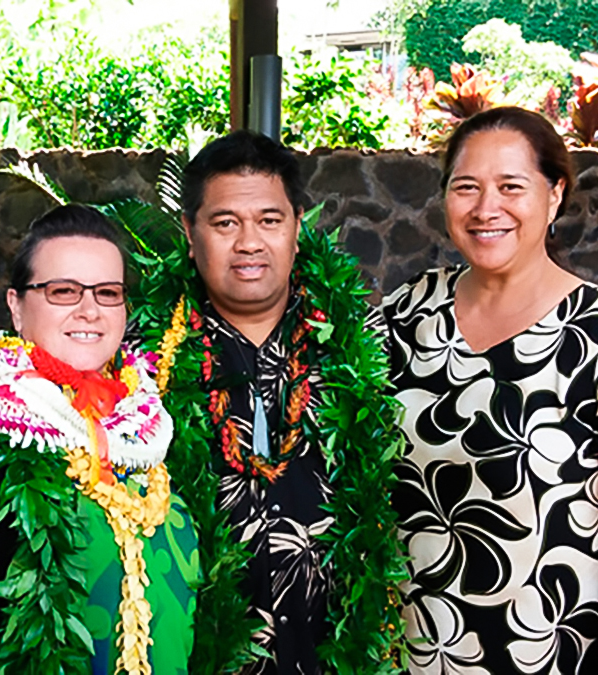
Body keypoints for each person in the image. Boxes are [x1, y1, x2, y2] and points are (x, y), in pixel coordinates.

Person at [131, 130, 404, 674]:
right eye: (225, 223)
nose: (249, 242)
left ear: (297, 228)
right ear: (189, 234)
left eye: (269, 221)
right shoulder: (140, 365)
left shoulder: (365, 348)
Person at [0, 204, 198, 675]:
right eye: (63, 291)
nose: (89, 310)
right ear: (15, 306)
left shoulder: (149, 427)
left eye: (108, 292)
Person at [381, 106, 598, 672]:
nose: (485, 209)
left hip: (550, 653)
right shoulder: (407, 314)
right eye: (466, 187)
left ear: (554, 194)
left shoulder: (592, 336)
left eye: (511, 187)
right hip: (410, 651)